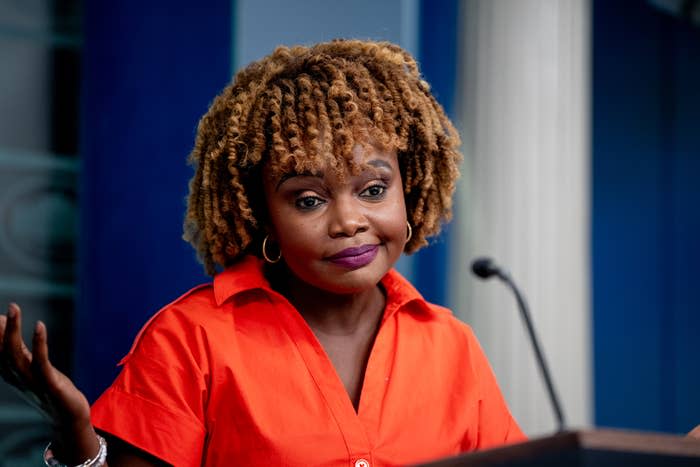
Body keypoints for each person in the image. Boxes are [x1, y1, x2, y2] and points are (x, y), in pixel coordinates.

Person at [3, 38, 530, 466]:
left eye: (374, 189)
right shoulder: (192, 339)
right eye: (308, 199)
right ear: (264, 217)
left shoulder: (453, 347)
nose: (349, 221)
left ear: (408, 191)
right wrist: (81, 442)